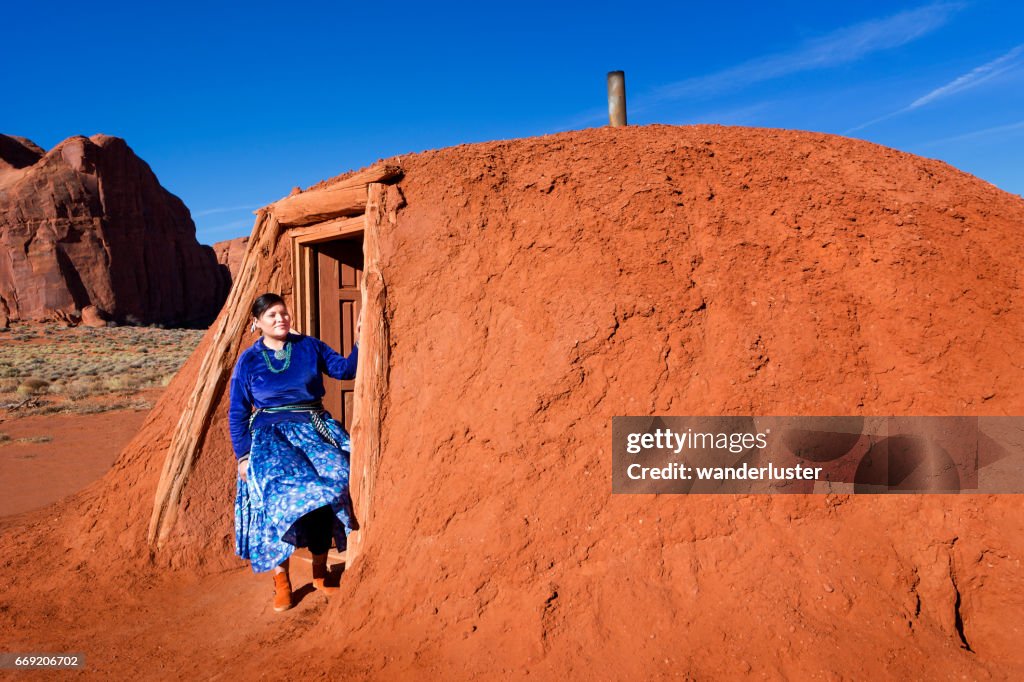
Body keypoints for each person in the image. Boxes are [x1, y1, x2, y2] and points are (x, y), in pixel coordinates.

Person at [228, 292, 359, 612]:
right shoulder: (249, 360)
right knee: (276, 491)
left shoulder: (309, 347)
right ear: (256, 323)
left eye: (283, 313)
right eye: (271, 315)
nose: (280, 319)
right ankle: (281, 580)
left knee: (337, 475)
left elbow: (345, 370)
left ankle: (320, 572)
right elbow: (237, 412)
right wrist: (243, 456)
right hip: (271, 435)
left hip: (313, 427)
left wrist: (360, 340)